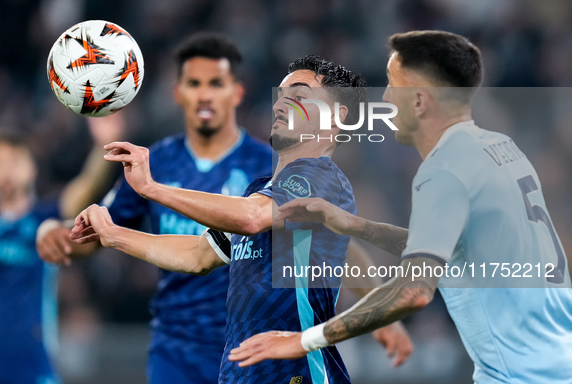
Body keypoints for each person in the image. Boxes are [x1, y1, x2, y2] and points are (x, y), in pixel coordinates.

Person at [227, 30, 572, 383]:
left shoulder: (444, 171)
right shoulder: (500, 148)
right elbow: (457, 250)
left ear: (420, 101)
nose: (387, 98)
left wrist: (305, 340)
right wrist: (356, 227)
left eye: (394, 85)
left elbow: (413, 292)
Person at [69, 55, 412, 383]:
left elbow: (252, 218)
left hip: (296, 373)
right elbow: (198, 256)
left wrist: (152, 189)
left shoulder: (321, 179)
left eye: (299, 95)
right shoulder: (261, 190)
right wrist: (115, 235)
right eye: (281, 95)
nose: (279, 104)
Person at [38, 32, 275, 384]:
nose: (205, 94)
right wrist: (55, 233)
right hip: (176, 348)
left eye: (216, 83)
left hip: (252, 345)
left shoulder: (267, 165)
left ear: (236, 92)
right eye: (194, 83)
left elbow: (315, 242)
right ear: (177, 93)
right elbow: (97, 234)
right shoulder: (155, 161)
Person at [0, 118, 120, 384]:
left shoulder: (45, 219)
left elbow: (84, 188)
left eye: (14, 160)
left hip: (32, 359)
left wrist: (104, 148)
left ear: (32, 168)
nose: (6, 170)